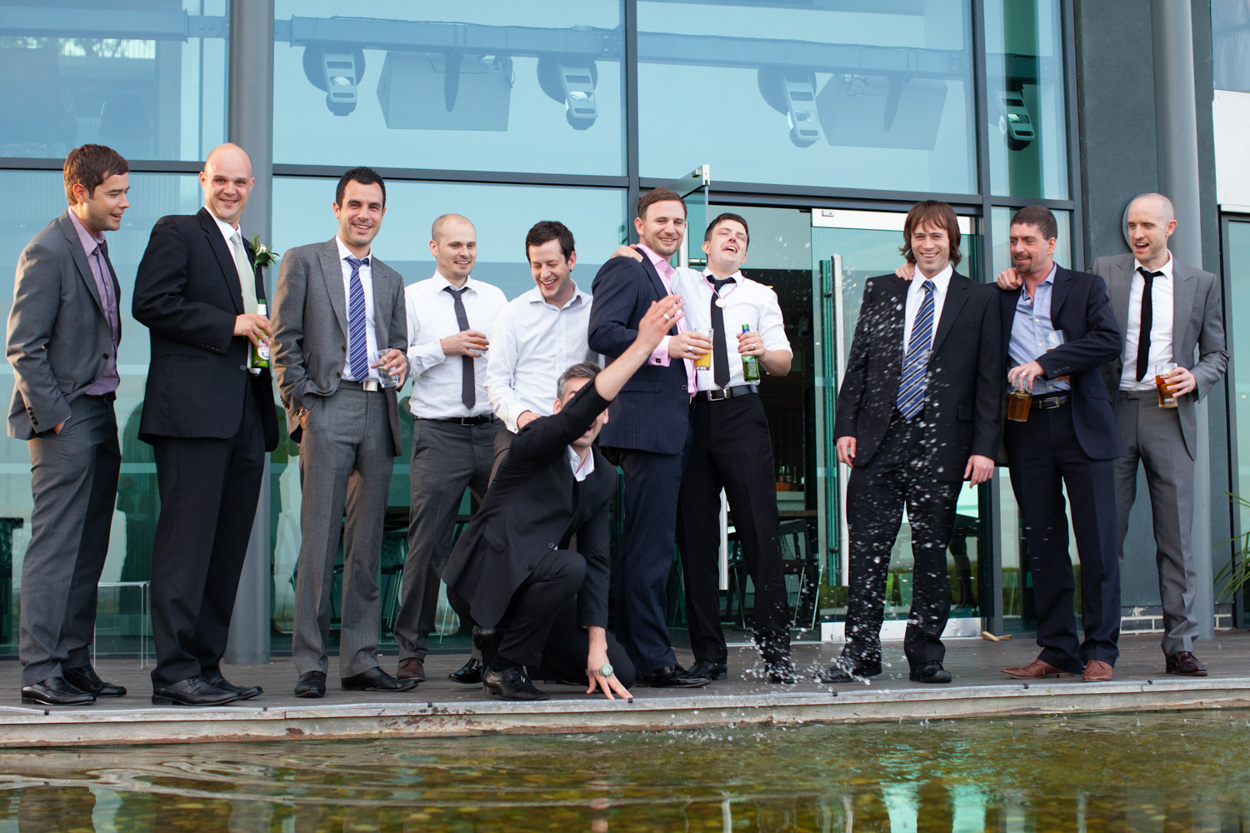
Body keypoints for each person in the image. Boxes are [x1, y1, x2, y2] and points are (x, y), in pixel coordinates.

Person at [999, 194, 1227, 676]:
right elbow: (1053, 292)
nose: (1137, 234)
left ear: (1171, 227)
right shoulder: (1104, 269)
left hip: (1168, 410)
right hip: (1106, 411)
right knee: (1106, 537)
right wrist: (1013, 275)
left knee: (1176, 537)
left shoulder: (1201, 284)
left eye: (1147, 225)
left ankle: (1178, 644)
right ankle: (1077, 648)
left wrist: (1198, 377)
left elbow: (1217, 354)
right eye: (1130, 225)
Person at [444, 294, 685, 701]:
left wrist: (597, 645)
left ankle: (509, 654)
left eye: (596, 406)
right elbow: (579, 411)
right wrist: (642, 345)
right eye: (576, 401)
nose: (587, 413)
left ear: (607, 416)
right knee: (567, 565)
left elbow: (597, 562)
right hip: (483, 583)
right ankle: (504, 668)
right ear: (558, 408)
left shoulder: (604, 477)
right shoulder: (534, 442)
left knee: (619, 670)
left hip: (533, 590)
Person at [821, 200, 1001, 686]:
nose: (927, 244)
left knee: (929, 555)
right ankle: (861, 653)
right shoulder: (883, 289)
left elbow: (989, 381)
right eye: (919, 236)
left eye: (936, 236)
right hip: (878, 441)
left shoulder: (980, 298)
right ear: (910, 241)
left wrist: (985, 448)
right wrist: (845, 426)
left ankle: (925, 655)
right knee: (867, 553)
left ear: (952, 242)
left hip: (942, 443)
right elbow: (857, 364)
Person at [617, 212, 796, 683]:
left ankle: (777, 652)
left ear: (745, 250)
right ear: (706, 243)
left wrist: (763, 350)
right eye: (725, 234)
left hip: (742, 412)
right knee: (696, 539)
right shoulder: (683, 282)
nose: (733, 241)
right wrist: (625, 251)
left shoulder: (762, 296)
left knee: (760, 532)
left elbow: (783, 362)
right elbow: (641, 260)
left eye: (741, 237)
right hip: (693, 413)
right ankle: (710, 654)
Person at [132, 143, 280, 706]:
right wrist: (232, 323)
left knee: (225, 549)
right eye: (221, 180)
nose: (231, 190)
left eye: (241, 183)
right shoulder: (177, 231)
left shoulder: (248, 247)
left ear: (250, 187)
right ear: (203, 179)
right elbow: (151, 302)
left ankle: (204, 666)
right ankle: (173, 674)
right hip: (192, 414)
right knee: (185, 546)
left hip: (245, 408)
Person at [271, 167, 415, 698]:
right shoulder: (304, 260)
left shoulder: (392, 280)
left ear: (382, 213)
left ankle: (359, 659)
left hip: (378, 412)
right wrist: (304, 405)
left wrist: (400, 364)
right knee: (319, 539)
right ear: (337, 208)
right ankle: (311, 663)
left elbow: (397, 348)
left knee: (367, 544)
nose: (363, 215)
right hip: (327, 407)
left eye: (373, 206)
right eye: (355, 205)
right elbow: (283, 341)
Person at [7, 144, 130, 706]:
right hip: (66, 418)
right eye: (115, 193)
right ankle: (39, 671)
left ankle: (75, 662)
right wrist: (56, 419)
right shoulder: (46, 251)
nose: (125, 203)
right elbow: (23, 347)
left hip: (100, 412)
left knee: (89, 546)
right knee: (56, 545)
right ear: (80, 192)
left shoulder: (97, 248)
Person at [993, 206, 1125, 683]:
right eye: (1013, 241)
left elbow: (1108, 341)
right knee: (1044, 545)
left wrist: (1047, 362)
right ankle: (1056, 650)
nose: (1019, 249)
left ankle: (1101, 652)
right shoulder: (1001, 294)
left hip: (1080, 423)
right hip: (1026, 428)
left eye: (1028, 240)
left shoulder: (1085, 287)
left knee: (1097, 544)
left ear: (1052, 243)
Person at [587, 188, 711, 689]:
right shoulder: (626, 268)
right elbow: (602, 332)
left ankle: (642, 654)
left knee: (651, 546)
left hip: (669, 424)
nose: (671, 229)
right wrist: (668, 345)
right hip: (644, 425)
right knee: (650, 548)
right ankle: (655, 660)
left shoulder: (670, 276)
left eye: (678, 222)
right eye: (661, 220)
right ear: (638, 226)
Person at [394, 214, 506, 685]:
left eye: (472, 245)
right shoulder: (412, 298)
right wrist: (445, 345)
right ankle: (411, 652)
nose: (464, 253)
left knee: (499, 543)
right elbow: (396, 362)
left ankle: (490, 650)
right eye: (455, 245)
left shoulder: (495, 298)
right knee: (428, 544)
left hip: (492, 430)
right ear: (434, 247)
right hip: (439, 434)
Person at [485, 220, 599, 476]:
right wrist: (523, 416)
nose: (544, 274)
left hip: (580, 436)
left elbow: (606, 375)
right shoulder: (512, 313)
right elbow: (496, 381)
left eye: (552, 264)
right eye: (536, 265)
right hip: (523, 435)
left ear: (571, 260)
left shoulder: (595, 312)